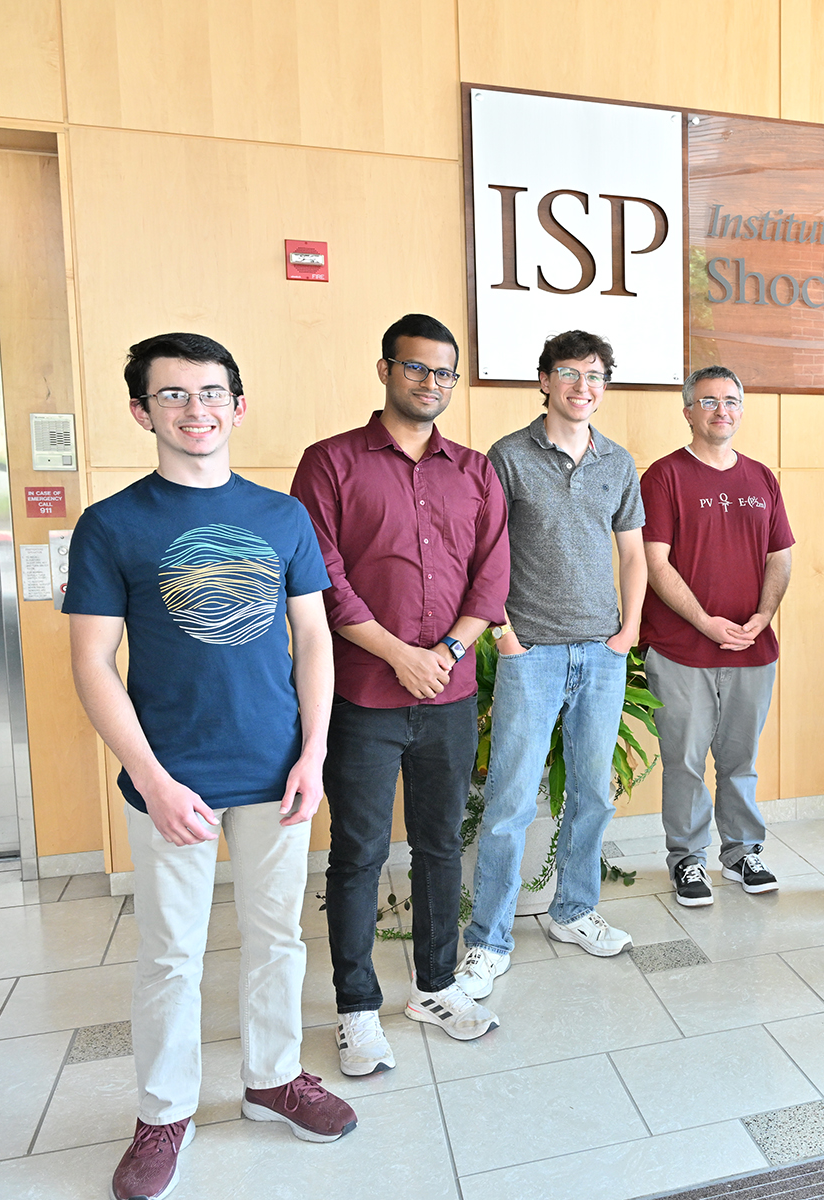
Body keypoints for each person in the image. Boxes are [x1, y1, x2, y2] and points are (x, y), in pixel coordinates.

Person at [67, 333, 355, 1200]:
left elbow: (313, 637)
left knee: (277, 937)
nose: (196, 410)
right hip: (173, 780)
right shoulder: (113, 524)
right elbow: (91, 664)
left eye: (211, 393)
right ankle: (163, 1113)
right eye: (173, 396)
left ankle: (273, 1077)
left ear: (238, 404)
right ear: (140, 411)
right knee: (170, 956)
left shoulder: (281, 516)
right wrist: (152, 782)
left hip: (278, 773)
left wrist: (314, 750)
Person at [290, 314, 509, 1072]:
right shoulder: (330, 464)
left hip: (447, 694)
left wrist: (445, 652)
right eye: (417, 368)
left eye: (445, 373)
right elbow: (320, 577)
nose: (431, 383)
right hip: (362, 697)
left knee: (442, 845)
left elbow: (492, 576)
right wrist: (398, 655)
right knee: (356, 854)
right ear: (385, 369)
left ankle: (436, 984)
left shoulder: (477, 470)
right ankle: (355, 1006)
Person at [459, 329, 646, 984]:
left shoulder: (618, 463)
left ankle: (575, 911)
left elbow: (632, 553)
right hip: (530, 651)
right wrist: (504, 634)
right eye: (568, 373)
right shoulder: (507, 457)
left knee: (592, 793)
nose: (581, 387)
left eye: (594, 376)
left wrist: (628, 633)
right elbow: (486, 552)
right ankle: (489, 939)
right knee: (510, 799)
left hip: (601, 651)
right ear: (543, 381)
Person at [640, 366, 794, 906]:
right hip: (681, 649)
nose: (720, 410)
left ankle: (742, 852)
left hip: (753, 649)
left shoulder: (762, 478)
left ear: (741, 410)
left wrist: (763, 616)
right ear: (688, 412)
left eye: (730, 400)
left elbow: (781, 555)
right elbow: (654, 564)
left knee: (739, 760)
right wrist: (705, 622)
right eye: (708, 401)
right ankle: (687, 858)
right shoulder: (663, 477)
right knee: (683, 759)